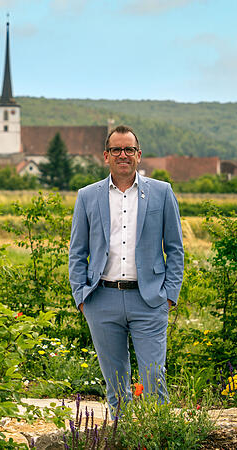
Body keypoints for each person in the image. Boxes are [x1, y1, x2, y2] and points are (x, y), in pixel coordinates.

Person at [68, 125, 183, 411]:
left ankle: (157, 432)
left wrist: (169, 296)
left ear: (138, 155)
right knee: (116, 386)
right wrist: (81, 297)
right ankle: (122, 431)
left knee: (154, 379)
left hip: (149, 300)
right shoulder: (87, 196)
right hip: (101, 299)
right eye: (116, 149)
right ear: (106, 156)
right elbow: (77, 251)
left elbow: (175, 248)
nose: (123, 155)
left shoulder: (161, 192)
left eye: (129, 149)